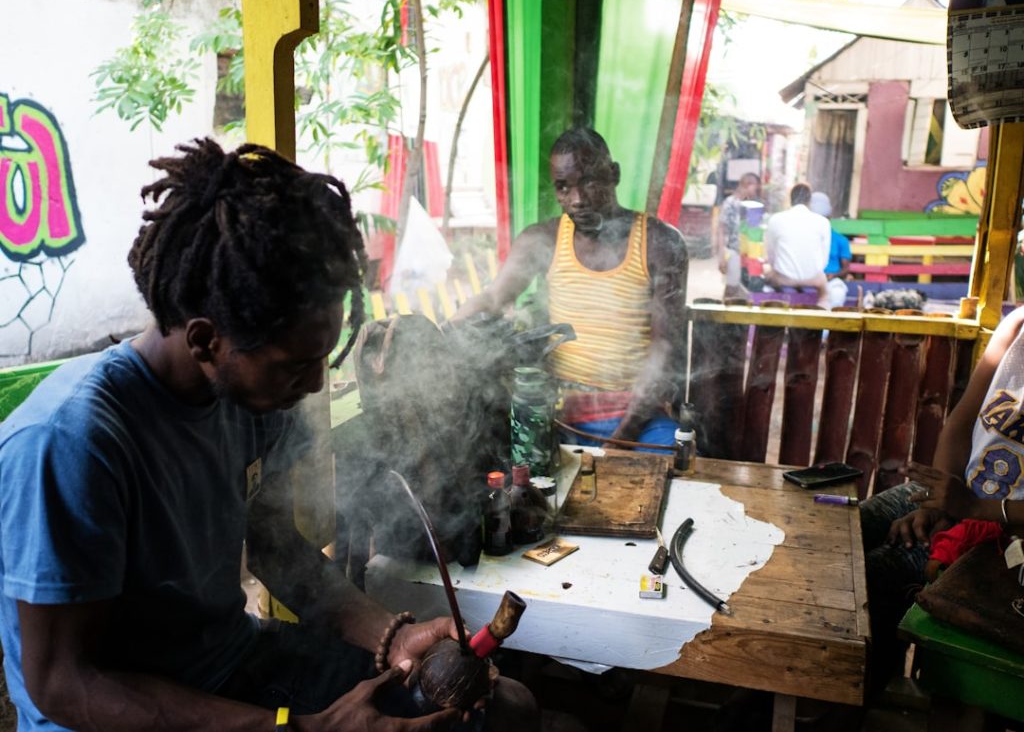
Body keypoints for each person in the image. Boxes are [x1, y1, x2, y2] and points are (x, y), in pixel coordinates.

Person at [0, 139, 537, 732]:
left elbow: (276, 547)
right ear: (206, 341)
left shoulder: (251, 398)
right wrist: (300, 729)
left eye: (323, 359)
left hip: (232, 665)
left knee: (504, 709)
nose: (311, 387)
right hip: (121, 715)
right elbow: (62, 683)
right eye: (293, 366)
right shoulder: (73, 442)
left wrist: (393, 635)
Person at [455, 128, 688, 449]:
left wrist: (624, 437)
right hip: (558, 412)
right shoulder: (543, 239)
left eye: (589, 182)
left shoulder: (661, 243)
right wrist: (441, 332)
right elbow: (494, 298)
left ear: (614, 174)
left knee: (669, 465)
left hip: (638, 415)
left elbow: (666, 348)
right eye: (564, 187)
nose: (577, 200)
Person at [861, 305, 1024, 687]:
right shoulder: (1017, 325)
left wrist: (973, 510)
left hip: (1007, 532)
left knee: (871, 575)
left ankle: (848, 700)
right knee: (840, 533)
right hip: (962, 497)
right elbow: (961, 423)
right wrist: (941, 504)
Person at [763, 183, 831, 307]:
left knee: (768, 273)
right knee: (825, 294)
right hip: (813, 280)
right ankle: (822, 315)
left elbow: (771, 255)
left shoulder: (776, 219)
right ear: (809, 200)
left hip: (784, 279)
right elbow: (824, 261)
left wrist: (778, 269)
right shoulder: (823, 222)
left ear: (791, 199)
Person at [717, 173, 760, 300]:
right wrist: (721, 256)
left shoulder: (751, 205)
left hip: (749, 254)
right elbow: (721, 230)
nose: (756, 191)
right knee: (731, 288)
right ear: (747, 185)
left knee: (744, 291)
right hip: (733, 251)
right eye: (754, 187)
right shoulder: (730, 203)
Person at [810, 191, 851, 309]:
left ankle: (827, 327)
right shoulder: (805, 239)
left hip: (831, 282)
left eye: (824, 218)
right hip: (807, 281)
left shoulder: (841, 240)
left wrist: (833, 275)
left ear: (829, 218)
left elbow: (845, 269)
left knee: (838, 293)